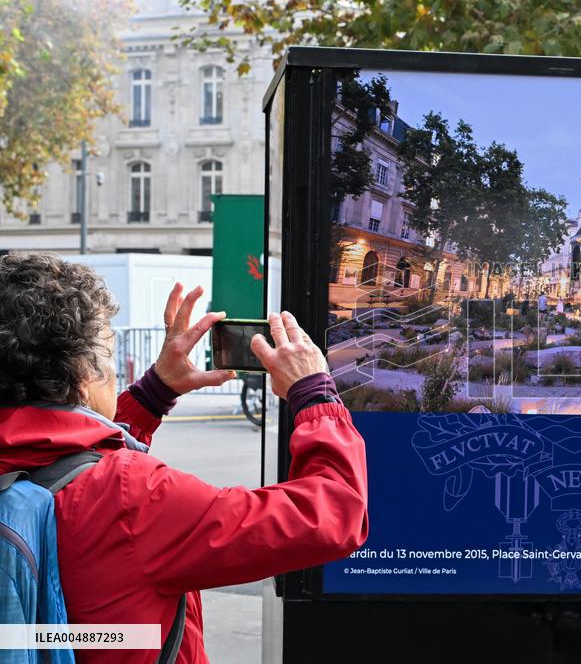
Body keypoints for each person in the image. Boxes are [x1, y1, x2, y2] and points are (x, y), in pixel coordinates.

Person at [0, 254, 367, 662]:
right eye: (109, 354)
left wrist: (152, 394)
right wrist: (314, 393)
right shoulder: (132, 496)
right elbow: (332, 513)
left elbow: (61, 458)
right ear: (84, 373)